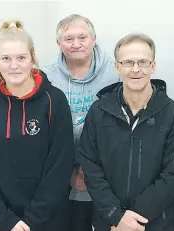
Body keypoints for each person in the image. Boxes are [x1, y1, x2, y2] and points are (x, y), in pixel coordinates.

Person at [77, 33, 174, 231]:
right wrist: (116, 216)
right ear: (117, 67)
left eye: (143, 62)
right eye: (128, 62)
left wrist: (132, 221)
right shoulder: (99, 111)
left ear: (153, 66)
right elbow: (91, 168)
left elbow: (173, 175)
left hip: (156, 224)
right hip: (109, 222)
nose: (136, 69)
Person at [0, 20, 74, 231]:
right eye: (6, 58)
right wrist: (6, 221)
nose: (14, 65)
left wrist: (32, 220)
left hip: (50, 219)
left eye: (21, 58)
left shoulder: (54, 100)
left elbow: (61, 165)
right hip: (6, 223)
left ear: (32, 58)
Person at [42, 14, 120, 231]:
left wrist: (91, 171)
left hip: (109, 176)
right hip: (63, 175)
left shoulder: (115, 72)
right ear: (58, 43)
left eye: (82, 37)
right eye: (68, 39)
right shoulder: (45, 77)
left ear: (94, 38)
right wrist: (71, 170)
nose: (76, 44)